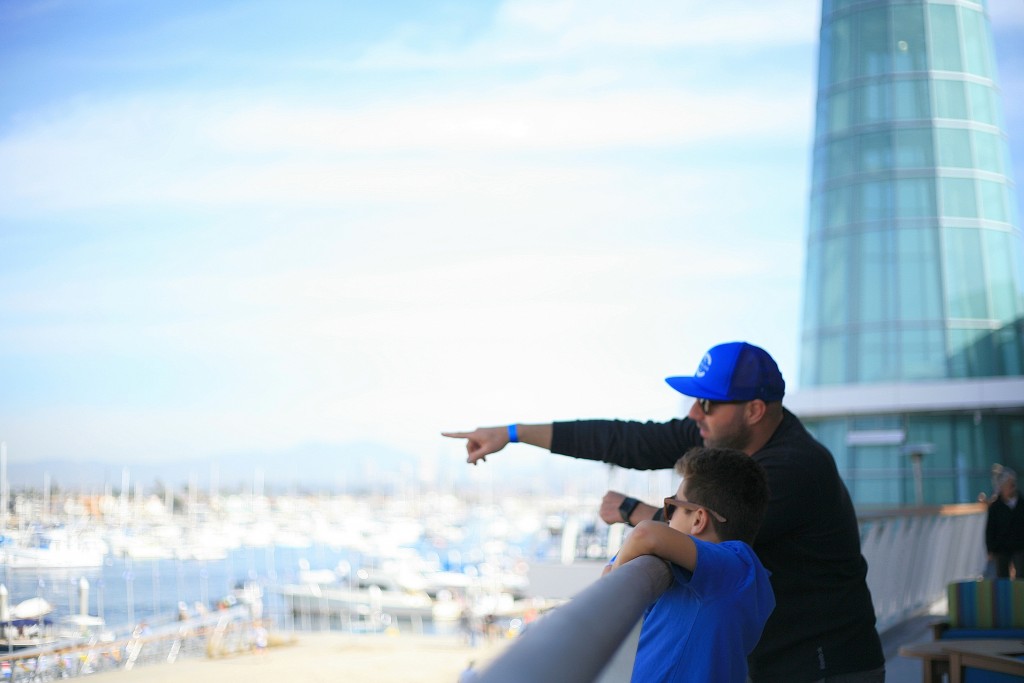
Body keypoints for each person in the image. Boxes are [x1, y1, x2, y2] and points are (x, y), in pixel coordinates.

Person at [443, 341, 886, 682]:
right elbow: (625, 440)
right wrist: (513, 432)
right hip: (771, 657)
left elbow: (702, 528)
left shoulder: (791, 468)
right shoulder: (721, 442)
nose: (695, 413)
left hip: (826, 665)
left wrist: (634, 511)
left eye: (707, 403)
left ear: (753, 410)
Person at [607, 446, 774, 682]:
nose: (668, 518)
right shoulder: (702, 576)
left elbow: (644, 534)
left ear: (698, 519)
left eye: (672, 507)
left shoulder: (737, 566)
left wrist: (613, 583)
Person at [985, 468, 1024, 579]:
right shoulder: (995, 507)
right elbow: (990, 529)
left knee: (1021, 575)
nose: (1012, 486)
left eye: (1013, 483)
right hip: (1001, 548)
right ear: (1001, 487)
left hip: (1020, 546)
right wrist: (990, 549)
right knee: (1002, 577)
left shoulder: (1021, 504)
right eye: (1008, 484)